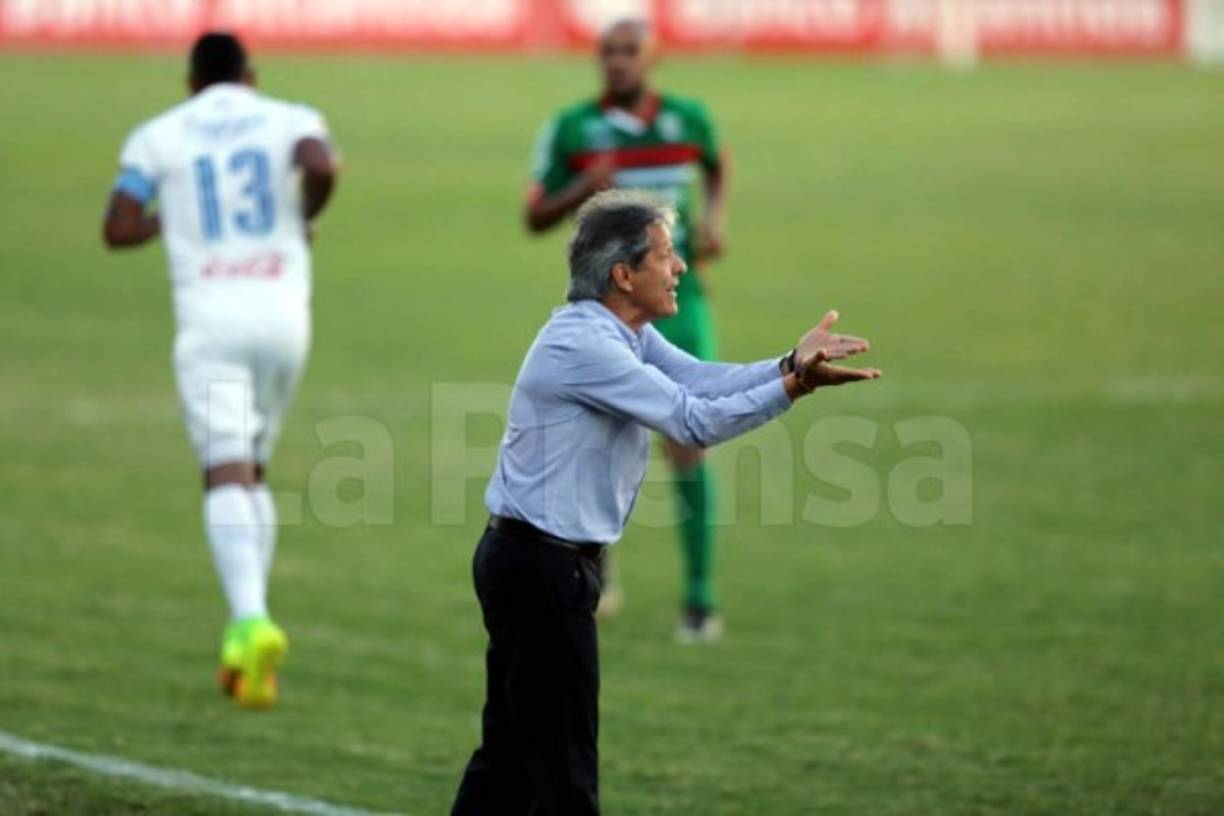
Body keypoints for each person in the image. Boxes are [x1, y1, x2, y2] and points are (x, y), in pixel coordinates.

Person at [452, 190, 880, 815]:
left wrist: (791, 362)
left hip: (536, 563)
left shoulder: (623, 333)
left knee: (510, 758)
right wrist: (793, 388)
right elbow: (693, 422)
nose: (680, 266)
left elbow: (699, 379)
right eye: (665, 254)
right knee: (563, 770)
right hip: (541, 570)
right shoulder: (586, 346)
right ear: (623, 275)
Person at [101, 32, 339, 709]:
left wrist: (171, 222)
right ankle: (249, 651)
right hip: (286, 316)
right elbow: (320, 165)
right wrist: (301, 217)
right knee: (255, 466)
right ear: (251, 74)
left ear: (190, 81)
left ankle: (249, 619)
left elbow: (117, 226)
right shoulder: (291, 116)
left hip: (213, 319)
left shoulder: (157, 136)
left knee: (226, 470)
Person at [525, 18, 733, 640]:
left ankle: (698, 599)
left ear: (654, 57)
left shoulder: (687, 120)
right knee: (593, 443)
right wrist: (582, 189)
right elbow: (534, 214)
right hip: (604, 314)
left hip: (680, 304)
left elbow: (717, 166)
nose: (617, 63)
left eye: (629, 52)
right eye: (608, 53)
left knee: (687, 442)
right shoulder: (573, 130)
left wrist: (715, 219)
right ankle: (596, 564)